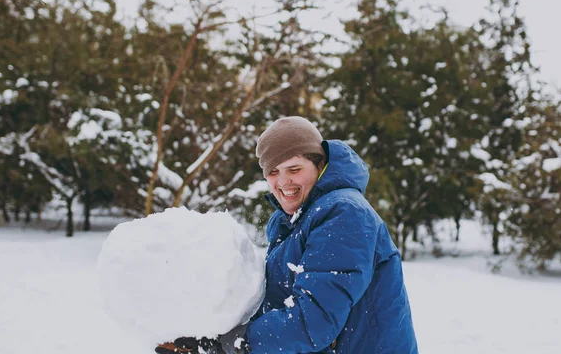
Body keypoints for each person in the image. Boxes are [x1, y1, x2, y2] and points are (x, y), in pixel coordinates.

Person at [156, 116, 419, 354]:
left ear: (319, 164)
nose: (283, 183)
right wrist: (210, 335)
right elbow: (279, 302)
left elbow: (312, 321)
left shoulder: (344, 213)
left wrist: (231, 345)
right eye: (273, 172)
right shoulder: (293, 221)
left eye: (294, 169)